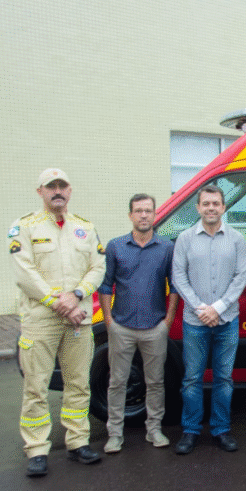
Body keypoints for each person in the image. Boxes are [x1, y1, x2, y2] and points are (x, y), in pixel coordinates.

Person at [10, 168, 106, 477]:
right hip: (41, 321)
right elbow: (25, 274)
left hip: (77, 318)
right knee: (36, 387)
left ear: (70, 190)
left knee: (78, 384)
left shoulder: (85, 228)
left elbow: (97, 267)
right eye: (50, 186)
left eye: (62, 186)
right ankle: (37, 449)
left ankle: (78, 442)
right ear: (40, 192)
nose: (57, 191)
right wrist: (59, 302)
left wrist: (76, 294)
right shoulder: (25, 227)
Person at [98, 193, 179, 454]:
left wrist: (168, 320)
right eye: (138, 211)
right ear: (130, 215)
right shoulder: (115, 246)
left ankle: (154, 429)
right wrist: (109, 321)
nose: (144, 215)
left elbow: (174, 286)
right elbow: (105, 285)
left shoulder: (166, 247)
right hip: (121, 327)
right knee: (117, 383)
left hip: (155, 327)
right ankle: (114, 434)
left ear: (154, 214)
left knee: (155, 382)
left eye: (148, 210)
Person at [172, 184, 246, 455]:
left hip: (227, 320)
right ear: (198, 208)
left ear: (224, 207)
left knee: (224, 379)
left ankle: (221, 429)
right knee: (192, 379)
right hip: (195, 321)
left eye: (216, 203)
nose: (211, 208)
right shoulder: (185, 239)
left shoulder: (237, 239)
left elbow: (241, 276)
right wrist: (201, 308)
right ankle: (190, 430)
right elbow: (179, 276)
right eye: (206, 204)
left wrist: (218, 308)